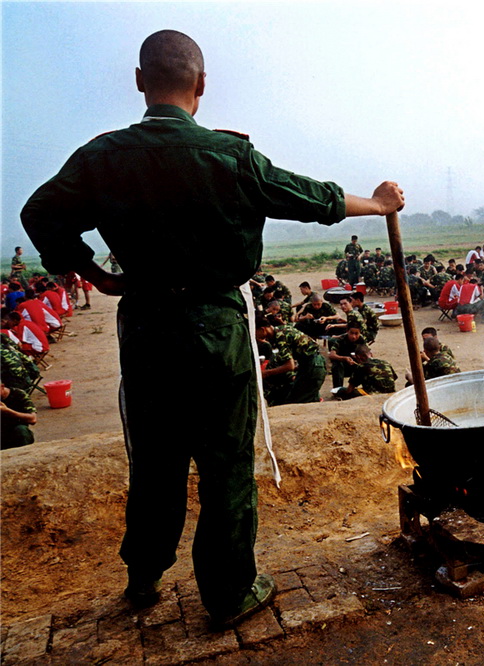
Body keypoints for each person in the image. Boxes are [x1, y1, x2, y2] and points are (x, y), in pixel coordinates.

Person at [19, 30, 404, 627]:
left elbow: (38, 213)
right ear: (201, 86)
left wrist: (93, 270)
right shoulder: (232, 157)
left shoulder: (102, 156)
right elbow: (314, 198)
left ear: (141, 81)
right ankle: (228, 593)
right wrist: (379, 205)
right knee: (224, 464)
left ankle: (144, 575)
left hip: (145, 326)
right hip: (216, 327)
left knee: (154, 459)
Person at [326, 323, 364, 390]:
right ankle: (337, 390)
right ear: (347, 332)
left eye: (356, 334)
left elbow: (368, 355)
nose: (353, 336)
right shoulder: (341, 340)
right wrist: (344, 358)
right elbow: (331, 355)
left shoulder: (361, 340)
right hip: (344, 367)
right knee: (337, 365)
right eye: (351, 333)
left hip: (356, 365)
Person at [0, 382, 37, 450]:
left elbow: (33, 419)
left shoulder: (18, 394)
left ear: (2, 387)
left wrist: (7, 411)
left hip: (16, 434)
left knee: (21, 430)